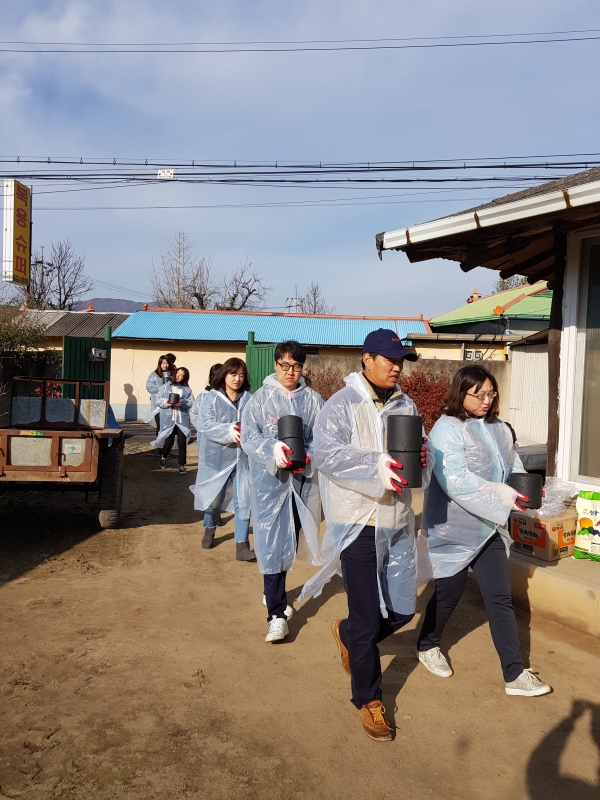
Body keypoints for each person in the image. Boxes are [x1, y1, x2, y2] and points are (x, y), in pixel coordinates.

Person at [299, 329, 429, 742]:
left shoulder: (405, 404)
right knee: (367, 609)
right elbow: (327, 455)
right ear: (367, 359)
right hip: (357, 521)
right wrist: (378, 466)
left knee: (405, 608)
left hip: (396, 518)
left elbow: (417, 455)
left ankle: (350, 631)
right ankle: (369, 699)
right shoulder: (342, 404)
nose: (397, 367)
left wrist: (422, 456)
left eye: (401, 360)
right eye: (390, 359)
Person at [417, 365, 551, 697]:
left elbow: (513, 465)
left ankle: (515, 673)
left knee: (500, 597)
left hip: (488, 527)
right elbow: (455, 481)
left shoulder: (499, 429)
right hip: (452, 528)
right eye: (479, 395)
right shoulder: (446, 430)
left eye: (491, 394)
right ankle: (427, 644)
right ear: (460, 393)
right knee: (449, 593)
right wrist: (501, 494)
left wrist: (525, 490)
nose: (487, 401)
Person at [241, 341, 323, 643]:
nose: (290, 371)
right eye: (285, 365)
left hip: (301, 485)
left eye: (296, 366)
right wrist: (271, 448)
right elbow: (249, 437)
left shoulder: (313, 400)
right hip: (269, 486)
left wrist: (309, 454)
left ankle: (273, 589)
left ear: (303, 368)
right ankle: (276, 615)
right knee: (271, 544)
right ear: (275, 364)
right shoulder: (260, 400)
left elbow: (323, 438)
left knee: (288, 544)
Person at [191, 358, 255, 561]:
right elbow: (205, 424)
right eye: (233, 374)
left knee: (244, 501)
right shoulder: (211, 398)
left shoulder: (249, 399)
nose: (237, 379)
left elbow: (256, 424)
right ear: (224, 375)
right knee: (215, 500)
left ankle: (242, 546)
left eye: (241, 375)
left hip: (243, 459)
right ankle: (209, 528)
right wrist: (228, 431)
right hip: (217, 458)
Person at [152, 367, 193, 475]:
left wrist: (181, 403)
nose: (178, 376)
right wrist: (167, 403)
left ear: (185, 377)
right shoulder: (165, 387)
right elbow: (158, 401)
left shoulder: (187, 389)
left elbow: (190, 402)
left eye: (181, 375)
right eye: (177, 374)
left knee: (182, 443)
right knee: (169, 442)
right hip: (169, 419)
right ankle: (163, 456)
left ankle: (181, 465)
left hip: (181, 420)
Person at [145, 355, 172, 436]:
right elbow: (149, 387)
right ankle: (160, 445)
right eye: (163, 363)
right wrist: (162, 391)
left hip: (169, 405)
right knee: (160, 425)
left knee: (168, 426)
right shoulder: (154, 375)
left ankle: (167, 445)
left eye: (167, 363)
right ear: (160, 364)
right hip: (158, 406)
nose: (165, 365)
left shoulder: (171, 375)